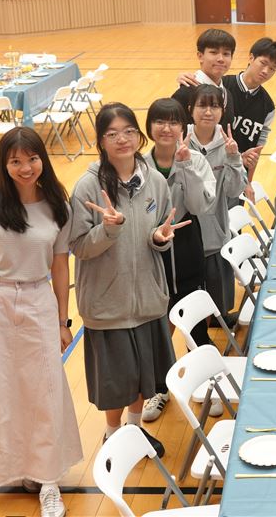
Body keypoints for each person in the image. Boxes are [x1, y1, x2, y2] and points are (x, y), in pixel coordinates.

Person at [0, 127, 81, 517]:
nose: (25, 168)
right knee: (3, 389)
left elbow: (60, 266)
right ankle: (21, 468)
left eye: (32, 159)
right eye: (15, 161)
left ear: (43, 159)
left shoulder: (58, 206)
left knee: (45, 389)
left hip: (38, 299)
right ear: (4, 164)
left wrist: (63, 321)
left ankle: (49, 481)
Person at [70, 103, 190, 444]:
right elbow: (78, 245)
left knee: (142, 376)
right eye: (112, 134)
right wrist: (108, 230)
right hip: (109, 301)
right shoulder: (87, 187)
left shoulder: (154, 181)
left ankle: (135, 431)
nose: (122, 139)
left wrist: (159, 238)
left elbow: (157, 229)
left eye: (128, 132)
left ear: (139, 136)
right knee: (117, 382)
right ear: (101, 141)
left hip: (147, 298)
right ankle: (112, 435)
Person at [140, 98, 217, 423]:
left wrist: (186, 167)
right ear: (149, 127)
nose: (167, 128)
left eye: (173, 122)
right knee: (157, 325)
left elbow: (200, 207)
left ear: (183, 127)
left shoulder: (196, 159)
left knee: (194, 318)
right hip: (150, 248)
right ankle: (159, 389)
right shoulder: (139, 166)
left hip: (186, 244)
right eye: (160, 121)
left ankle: (207, 382)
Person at [187, 86, 247, 408]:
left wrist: (235, 158)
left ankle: (212, 373)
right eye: (202, 105)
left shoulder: (227, 145)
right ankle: (204, 382)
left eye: (214, 106)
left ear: (223, 112)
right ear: (191, 109)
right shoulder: (181, 143)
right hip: (186, 243)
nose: (208, 112)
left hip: (216, 238)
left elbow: (235, 191)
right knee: (193, 319)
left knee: (216, 308)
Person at [176, 37, 276, 201]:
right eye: (263, 63)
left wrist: (248, 182)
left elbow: (256, 150)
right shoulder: (222, 87)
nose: (265, 71)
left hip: (236, 175)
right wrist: (183, 77)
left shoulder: (268, 106)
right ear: (251, 57)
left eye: (272, 69)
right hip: (206, 172)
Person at [172, 28, 236, 129]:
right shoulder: (185, 93)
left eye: (226, 54)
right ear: (200, 56)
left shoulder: (227, 94)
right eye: (214, 52)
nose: (221, 59)